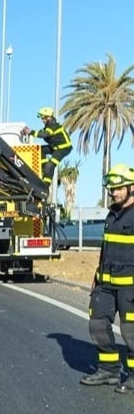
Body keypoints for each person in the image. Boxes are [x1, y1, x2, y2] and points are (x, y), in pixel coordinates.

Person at [83, 165, 134, 390]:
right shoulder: (111, 214)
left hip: (129, 287)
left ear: (131, 188)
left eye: (119, 188)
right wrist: (96, 275)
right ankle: (108, 371)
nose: (114, 193)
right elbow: (106, 248)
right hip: (105, 284)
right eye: (112, 189)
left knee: (130, 332)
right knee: (97, 325)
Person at [24, 107, 74, 186]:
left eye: (43, 118)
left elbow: (45, 134)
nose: (42, 120)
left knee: (50, 165)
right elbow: (41, 132)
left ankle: (45, 185)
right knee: (39, 150)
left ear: (48, 117)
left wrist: (31, 132)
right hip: (55, 147)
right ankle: (44, 169)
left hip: (63, 148)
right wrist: (29, 133)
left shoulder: (53, 126)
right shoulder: (48, 126)